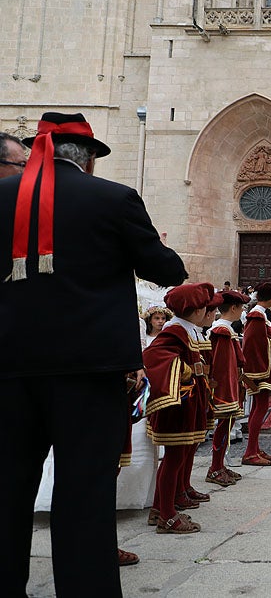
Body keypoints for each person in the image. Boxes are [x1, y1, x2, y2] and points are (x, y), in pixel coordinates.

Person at [1, 113, 187, 596]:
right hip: (90, 371)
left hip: (9, 369)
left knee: (7, 490)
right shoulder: (113, 199)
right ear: (86, 159)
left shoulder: (1, 198)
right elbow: (167, 271)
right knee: (84, 493)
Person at [144, 282, 217, 534]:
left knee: (177, 457)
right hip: (177, 405)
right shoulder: (174, 331)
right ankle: (167, 516)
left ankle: (159, 509)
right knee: (173, 459)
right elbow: (155, 358)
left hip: (189, 403)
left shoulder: (188, 330)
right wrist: (187, 372)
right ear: (196, 311)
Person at [205, 289, 250, 487]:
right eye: (241, 308)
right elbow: (223, 366)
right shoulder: (221, 331)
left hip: (231, 386)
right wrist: (227, 393)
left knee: (227, 427)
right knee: (222, 429)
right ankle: (215, 467)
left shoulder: (226, 329)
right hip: (224, 389)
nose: (242, 312)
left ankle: (219, 465)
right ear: (233, 308)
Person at [240, 282, 271, 466]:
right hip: (259, 370)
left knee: (260, 407)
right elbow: (254, 343)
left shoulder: (259, 314)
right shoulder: (257, 315)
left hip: (262, 368)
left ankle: (254, 447)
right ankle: (250, 451)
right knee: (260, 408)